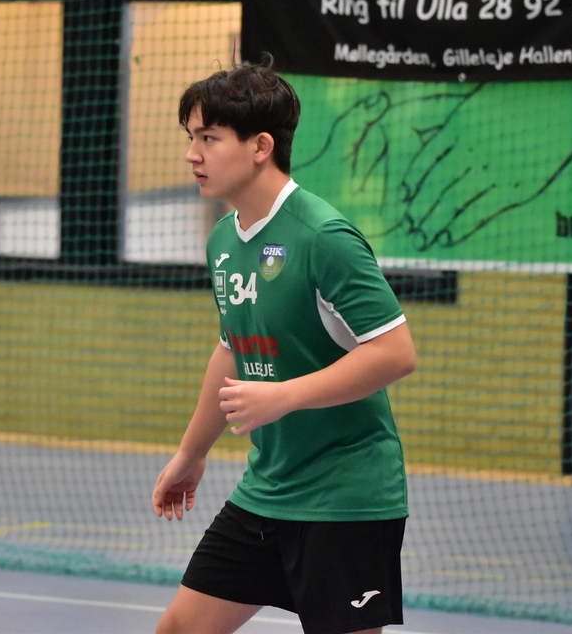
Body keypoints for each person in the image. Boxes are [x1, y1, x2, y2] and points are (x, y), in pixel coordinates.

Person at [151, 56, 418, 634]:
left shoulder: (324, 236)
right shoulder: (224, 241)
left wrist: (284, 396)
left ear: (260, 146)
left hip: (346, 498)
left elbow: (396, 353)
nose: (192, 154)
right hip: (268, 490)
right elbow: (232, 348)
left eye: (208, 138)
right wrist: (192, 453)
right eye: (190, 137)